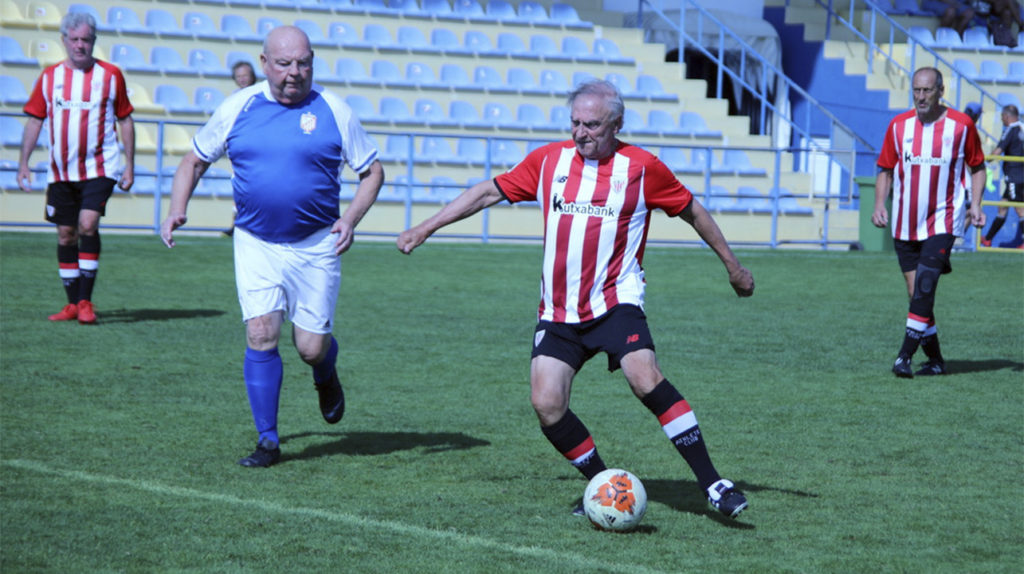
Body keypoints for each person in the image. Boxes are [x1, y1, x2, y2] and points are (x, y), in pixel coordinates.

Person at [397, 79, 755, 519]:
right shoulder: (549, 161)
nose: (581, 132)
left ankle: (713, 484)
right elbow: (490, 191)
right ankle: (604, 488)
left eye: (593, 124)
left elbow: (693, 211)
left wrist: (733, 267)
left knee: (644, 376)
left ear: (616, 124)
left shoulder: (642, 168)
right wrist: (426, 226)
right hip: (558, 311)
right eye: (576, 123)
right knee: (546, 403)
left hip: (614, 302)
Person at [160, 26, 385, 467]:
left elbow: (372, 172)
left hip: (317, 244)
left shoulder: (333, 110)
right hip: (256, 242)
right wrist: (176, 208)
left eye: (303, 63)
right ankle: (267, 441)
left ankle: (325, 370)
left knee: (309, 347)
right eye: (284, 64)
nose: (294, 73)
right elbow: (194, 159)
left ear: (313, 62)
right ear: (265, 64)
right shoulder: (239, 107)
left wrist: (350, 219)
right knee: (261, 333)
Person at [16, 11, 135, 325]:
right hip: (60, 171)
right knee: (66, 234)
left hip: (100, 167)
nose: (80, 45)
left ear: (94, 41)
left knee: (87, 225)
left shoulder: (110, 76)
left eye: (86, 39)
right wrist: (23, 163)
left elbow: (125, 119)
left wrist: (129, 166)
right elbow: (34, 120)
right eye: (75, 39)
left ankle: (85, 301)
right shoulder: (50, 77)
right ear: (64, 41)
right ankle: (71, 303)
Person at [872, 67, 986, 378]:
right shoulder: (898, 126)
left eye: (927, 90)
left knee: (925, 285)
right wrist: (879, 204)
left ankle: (903, 358)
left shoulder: (961, 126)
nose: (921, 97)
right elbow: (884, 168)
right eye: (917, 90)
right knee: (916, 295)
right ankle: (935, 361)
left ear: (940, 90)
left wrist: (975, 205)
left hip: (943, 220)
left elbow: (977, 167)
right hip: (906, 223)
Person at [980, 104, 1024, 248]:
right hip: (1018, 175)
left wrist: (983, 160)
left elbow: (998, 150)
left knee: (1019, 209)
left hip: (1014, 176)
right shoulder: (1022, 129)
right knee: (1002, 207)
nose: (1002, 120)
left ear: (1007, 116)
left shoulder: (1011, 130)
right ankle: (988, 238)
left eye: (1002, 117)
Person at [223, 60, 257, 237]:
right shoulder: (234, 98)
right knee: (239, 184)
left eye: (245, 75)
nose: (242, 79)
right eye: (239, 76)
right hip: (242, 149)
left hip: (258, 148)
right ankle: (236, 223)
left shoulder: (262, 94)